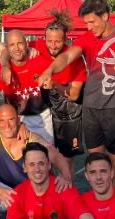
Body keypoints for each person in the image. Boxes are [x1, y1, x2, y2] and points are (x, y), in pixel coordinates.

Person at [39, 0, 115, 185]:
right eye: (86, 22)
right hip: (91, 109)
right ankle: (101, 201)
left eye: (92, 22)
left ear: (105, 16)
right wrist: (50, 70)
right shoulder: (87, 38)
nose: (89, 27)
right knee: (96, 165)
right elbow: (66, 57)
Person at [0, 104, 72, 219]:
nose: (7, 125)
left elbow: (54, 155)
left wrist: (66, 177)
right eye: (2, 121)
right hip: (7, 193)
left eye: (11, 119)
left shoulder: (31, 138)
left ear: (19, 120)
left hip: (32, 194)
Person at [30, 12, 87, 176]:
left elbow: (74, 95)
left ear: (66, 39)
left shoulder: (75, 59)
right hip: (44, 111)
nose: (53, 45)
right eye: (49, 41)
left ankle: (68, 189)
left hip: (68, 113)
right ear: (44, 38)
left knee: (66, 160)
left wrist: (54, 85)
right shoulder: (37, 46)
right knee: (43, 156)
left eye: (58, 41)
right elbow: (11, 48)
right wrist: (27, 48)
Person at [0, 29, 55, 141]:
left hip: (43, 119)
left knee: (47, 151)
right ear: (7, 48)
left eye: (20, 43)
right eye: (12, 45)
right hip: (18, 122)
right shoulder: (1, 70)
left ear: (27, 44)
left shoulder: (40, 60)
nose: (17, 48)